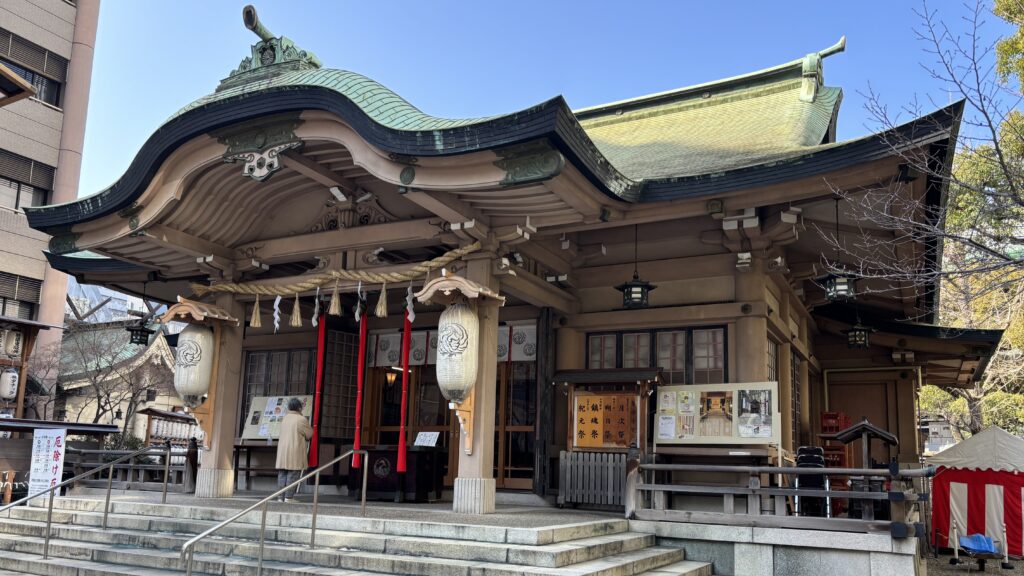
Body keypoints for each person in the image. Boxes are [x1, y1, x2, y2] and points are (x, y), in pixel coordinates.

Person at [275, 398, 312, 502]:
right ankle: (288, 497)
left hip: (283, 451)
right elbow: (309, 434)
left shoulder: (285, 418)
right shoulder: (301, 419)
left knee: (282, 474)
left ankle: (280, 497)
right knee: (293, 473)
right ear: (299, 408)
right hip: (294, 450)